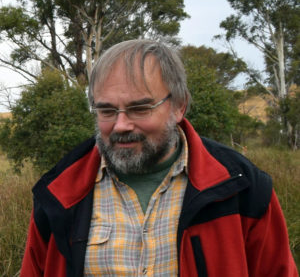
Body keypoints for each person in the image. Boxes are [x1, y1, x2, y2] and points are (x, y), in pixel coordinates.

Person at [21, 39, 298, 277]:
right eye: (106, 111)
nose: (120, 125)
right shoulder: (58, 194)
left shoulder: (243, 189)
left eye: (139, 108)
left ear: (179, 106)